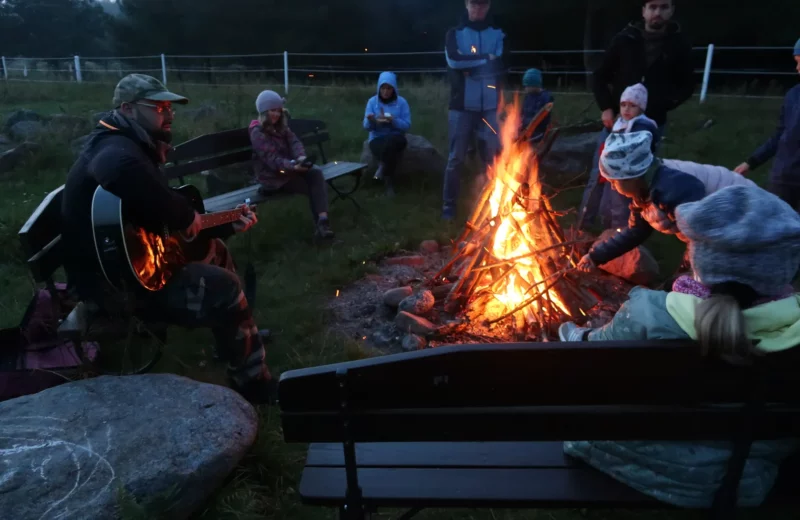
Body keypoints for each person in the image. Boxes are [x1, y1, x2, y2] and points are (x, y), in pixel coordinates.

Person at [559, 185, 800, 508]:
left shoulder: (649, 314)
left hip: (620, 459)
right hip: (744, 476)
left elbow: (587, 359)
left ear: (698, 257)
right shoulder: (792, 331)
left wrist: (573, 335)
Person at [61, 74, 276, 404]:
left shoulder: (132, 143)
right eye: (159, 106)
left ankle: (238, 338)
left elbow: (156, 226)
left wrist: (219, 224)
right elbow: (116, 169)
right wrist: (186, 217)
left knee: (216, 249)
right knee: (226, 287)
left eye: (169, 106)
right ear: (128, 110)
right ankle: (253, 384)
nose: (169, 112)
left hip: (128, 265)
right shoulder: (113, 148)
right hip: (117, 289)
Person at [578, 0, 694, 229]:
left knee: (638, 178)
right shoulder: (625, 40)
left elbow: (687, 84)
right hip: (616, 125)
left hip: (651, 126)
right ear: (643, 11)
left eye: (663, 7)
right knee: (600, 174)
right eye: (652, 7)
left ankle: (624, 230)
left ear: (671, 11)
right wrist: (606, 107)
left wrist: (665, 103)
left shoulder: (678, 45)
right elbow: (600, 76)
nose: (657, 13)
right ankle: (583, 227)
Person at [577, 131, 757, 273]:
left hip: (746, 213)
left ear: (632, 176)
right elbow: (636, 232)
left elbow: (706, 231)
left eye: (614, 182)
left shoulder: (672, 189)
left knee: (709, 283)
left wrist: (694, 263)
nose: (614, 188)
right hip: (718, 228)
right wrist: (596, 256)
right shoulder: (644, 191)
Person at [442, 0, 507, 220]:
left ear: (488, 7)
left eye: (482, 5)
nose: (478, 9)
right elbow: (454, 61)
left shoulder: (498, 33)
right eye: (474, 4)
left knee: (493, 158)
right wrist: (485, 60)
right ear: (466, 5)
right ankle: (449, 206)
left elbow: (501, 64)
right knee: (455, 158)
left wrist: (471, 66)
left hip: (489, 105)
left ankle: (493, 206)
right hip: (461, 106)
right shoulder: (455, 33)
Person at [249, 90, 334, 239]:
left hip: (290, 168)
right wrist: (293, 166)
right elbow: (272, 159)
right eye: (272, 111)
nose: (276, 114)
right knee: (311, 186)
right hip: (272, 177)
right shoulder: (257, 132)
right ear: (264, 112)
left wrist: (300, 157)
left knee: (316, 172)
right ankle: (321, 231)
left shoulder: (281, 126)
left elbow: (294, 142)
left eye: (278, 111)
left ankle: (323, 221)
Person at [734, 38, 800, 210]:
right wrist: (751, 162)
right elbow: (780, 135)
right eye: (797, 62)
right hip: (783, 177)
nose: (798, 68)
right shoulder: (793, 95)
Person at [363, 71, 412, 197]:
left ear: (394, 89)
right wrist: (371, 121)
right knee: (389, 150)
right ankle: (389, 184)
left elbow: (407, 125)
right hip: (377, 138)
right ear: (379, 88)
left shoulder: (401, 103)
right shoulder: (372, 102)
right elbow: (366, 127)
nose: (385, 91)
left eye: (389, 88)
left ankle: (382, 167)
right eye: (383, 88)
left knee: (393, 142)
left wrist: (393, 121)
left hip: (396, 137)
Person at [519, 68, 553, 144]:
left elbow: (539, 119)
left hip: (538, 132)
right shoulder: (528, 97)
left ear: (534, 85)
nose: (525, 88)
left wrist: (525, 124)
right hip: (525, 130)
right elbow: (522, 113)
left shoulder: (545, 98)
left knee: (520, 140)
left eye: (527, 86)